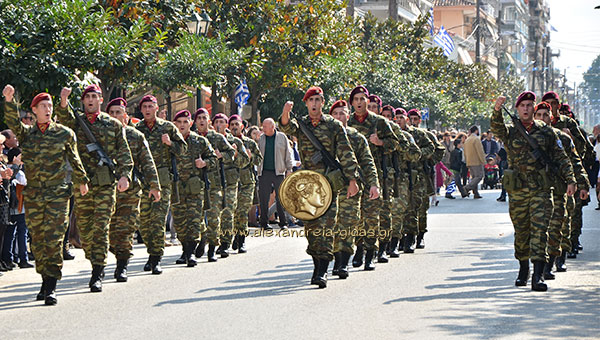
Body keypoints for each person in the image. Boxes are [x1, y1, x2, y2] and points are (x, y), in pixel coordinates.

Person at [3, 85, 89, 305]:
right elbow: (13, 123)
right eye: (43, 106)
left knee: (54, 239)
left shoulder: (64, 133)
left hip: (58, 194)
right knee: (39, 241)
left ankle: (51, 285)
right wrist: (10, 100)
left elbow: (75, 158)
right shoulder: (27, 134)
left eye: (50, 105)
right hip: (33, 195)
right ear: (34, 110)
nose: (48, 109)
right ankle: (44, 278)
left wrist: (82, 181)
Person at [491, 92, 576, 292]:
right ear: (517, 109)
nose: (527, 109)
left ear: (534, 107)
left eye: (530, 105)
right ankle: (523, 269)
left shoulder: (546, 131)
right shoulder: (511, 132)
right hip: (518, 190)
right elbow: (496, 127)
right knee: (521, 231)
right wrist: (496, 110)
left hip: (541, 189)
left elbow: (561, 157)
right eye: (523, 106)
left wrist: (571, 180)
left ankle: (537, 275)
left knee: (540, 230)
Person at [279, 86, 360, 288]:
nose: (314, 104)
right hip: (308, 184)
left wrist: (352, 180)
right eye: (310, 100)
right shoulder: (302, 125)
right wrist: (286, 112)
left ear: (322, 103)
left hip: (329, 183)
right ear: (306, 104)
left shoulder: (333, 125)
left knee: (326, 226)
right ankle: (317, 263)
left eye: (317, 100)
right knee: (312, 228)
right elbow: (286, 127)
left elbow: (346, 153)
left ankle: (321, 271)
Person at [55, 85, 133, 293]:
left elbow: (124, 153)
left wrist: (125, 176)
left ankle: (97, 271)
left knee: (100, 228)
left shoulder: (113, 125)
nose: (90, 100)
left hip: (106, 184)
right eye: (87, 97)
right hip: (83, 185)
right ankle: (94, 258)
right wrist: (63, 100)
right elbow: (63, 118)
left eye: (94, 97)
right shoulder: (76, 123)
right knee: (85, 232)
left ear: (100, 100)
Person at [106, 98, 160, 281]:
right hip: (105, 190)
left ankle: (122, 265)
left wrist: (155, 186)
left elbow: (148, 162)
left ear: (126, 117)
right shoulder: (101, 135)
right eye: (111, 113)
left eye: (118, 112)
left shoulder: (136, 136)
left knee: (125, 228)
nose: (115, 116)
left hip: (130, 192)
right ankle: (116, 252)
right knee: (106, 231)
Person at [533, 102, 589, 278]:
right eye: (539, 115)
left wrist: (582, 184)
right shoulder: (529, 138)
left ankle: (551, 264)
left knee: (557, 227)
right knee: (539, 229)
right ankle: (537, 267)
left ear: (551, 117)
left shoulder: (562, 138)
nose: (542, 118)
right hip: (537, 190)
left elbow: (575, 162)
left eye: (545, 115)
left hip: (559, 189)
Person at [347, 86, 398, 270]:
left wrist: (381, 142)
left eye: (363, 99)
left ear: (368, 101)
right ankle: (359, 249)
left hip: (373, 175)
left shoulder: (379, 122)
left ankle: (371, 253)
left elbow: (395, 143)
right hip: (353, 176)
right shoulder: (348, 121)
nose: (359, 102)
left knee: (372, 216)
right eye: (356, 99)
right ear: (351, 102)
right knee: (356, 217)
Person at [135, 95, 187, 274]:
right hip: (143, 181)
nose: (148, 109)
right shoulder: (137, 129)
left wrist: (170, 143)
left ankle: (155, 257)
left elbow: (183, 150)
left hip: (163, 180)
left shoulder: (167, 127)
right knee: (143, 222)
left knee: (157, 221)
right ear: (141, 110)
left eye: (151, 106)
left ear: (156, 108)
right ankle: (151, 251)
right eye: (145, 107)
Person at [330, 100, 379, 278]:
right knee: (332, 226)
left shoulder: (357, 137)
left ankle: (343, 262)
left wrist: (374, 184)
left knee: (348, 224)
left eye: (342, 113)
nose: (338, 117)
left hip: (351, 187)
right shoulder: (325, 136)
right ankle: (336, 259)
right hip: (330, 188)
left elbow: (368, 162)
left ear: (348, 116)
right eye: (335, 114)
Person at [171, 109, 216, 266]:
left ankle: (190, 254)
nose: (182, 125)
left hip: (195, 188)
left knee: (193, 220)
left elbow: (213, 159)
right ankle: (186, 249)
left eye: (185, 122)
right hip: (176, 188)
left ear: (190, 123)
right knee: (180, 223)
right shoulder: (170, 141)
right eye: (179, 122)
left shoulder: (199, 141)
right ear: (174, 124)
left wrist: (204, 163)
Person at [193, 108, 235, 262]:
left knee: (213, 218)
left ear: (208, 121)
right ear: (195, 121)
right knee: (195, 218)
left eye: (204, 118)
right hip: (195, 184)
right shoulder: (192, 138)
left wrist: (221, 155)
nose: (202, 121)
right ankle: (203, 238)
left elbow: (231, 153)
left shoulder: (217, 138)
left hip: (214, 184)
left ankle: (212, 248)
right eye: (199, 118)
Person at [395, 109, 435, 252]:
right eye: (396, 117)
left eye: (401, 117)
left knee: (416, 206)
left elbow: (433, 148)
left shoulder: (418, 134)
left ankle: (415, 236)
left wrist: (420, 156)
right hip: (399, 175)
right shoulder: (392, 133)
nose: (399, 120)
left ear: (407, 119)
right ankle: (399, 238)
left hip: (417, 175)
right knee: (399, 208)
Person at [213, 113, 250, 257]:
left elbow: (245, 161)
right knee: (214, 214)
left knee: (228, 212)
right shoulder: (208, 140)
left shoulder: (234, 142)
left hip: (230, 181)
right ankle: (213, 242)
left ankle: (225, 243)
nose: (219, 125)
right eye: (217, 122)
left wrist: (233, 155)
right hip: (212, 182)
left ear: (226, 125)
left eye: (222, 122)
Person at [408, 110, 445, 248]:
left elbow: (439, 150)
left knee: (422, 207)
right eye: (411, 118)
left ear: (420, 120)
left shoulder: (426, 135)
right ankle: (408, 236)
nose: (413, 121)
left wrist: (429, 161)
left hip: (422, 175)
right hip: (407, 175)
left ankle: (420, 235)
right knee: (408, 207)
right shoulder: (405, 134)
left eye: (416, 119)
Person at [230, 114, 261, 253]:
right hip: (230, 182)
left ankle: (241, 239)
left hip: (247, 182)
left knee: (242, 211)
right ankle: (231, 237)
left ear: (242, 126)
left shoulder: (250, 143)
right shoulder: (226, 141)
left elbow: (259, 160)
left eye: (237, 124)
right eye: (232, 125)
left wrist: (251, 156)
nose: (235, 127)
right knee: (231, 212)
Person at [257, 118, 293, 230]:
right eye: (263, 126)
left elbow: (288, 153)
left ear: (272, 127)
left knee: (280, 197)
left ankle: (283, 223)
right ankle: (264, 222)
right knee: (263, 198)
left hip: (279, 171)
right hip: (264, 172)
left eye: (265, 126)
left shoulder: (282, 137)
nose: (263, 128)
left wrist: (289, 169)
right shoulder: (261, 138)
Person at [463, 125, 486, 199]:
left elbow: (465, 152)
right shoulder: (476, 139)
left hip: (469, 161)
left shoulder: (467, 139)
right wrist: (483, 161)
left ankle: (476, 193)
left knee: (474, 177)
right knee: (479, 176)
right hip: (476, 161)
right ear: (476, 130)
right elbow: (480, 151)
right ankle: (467, 188)